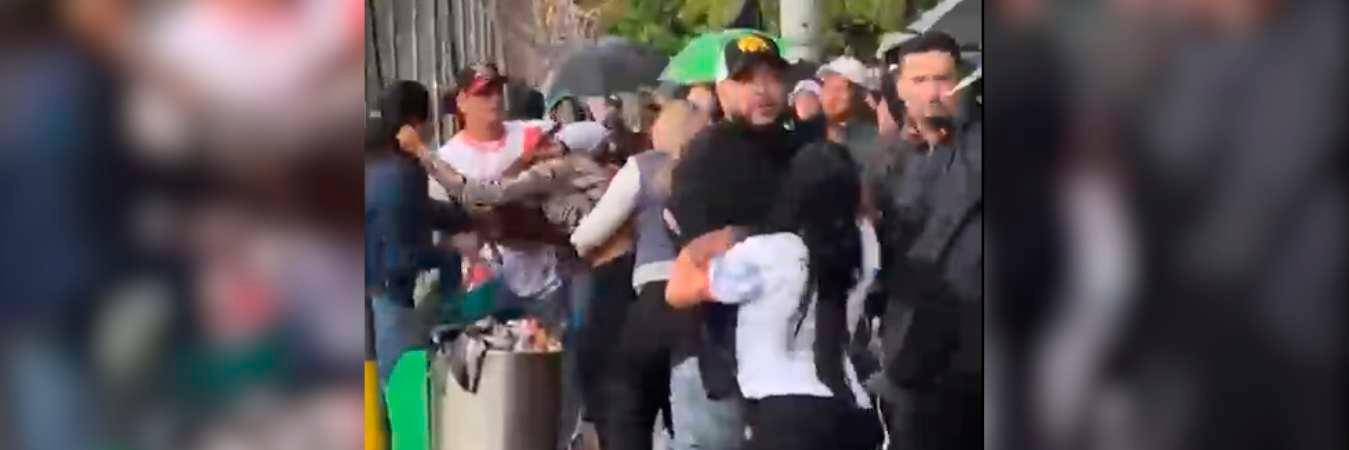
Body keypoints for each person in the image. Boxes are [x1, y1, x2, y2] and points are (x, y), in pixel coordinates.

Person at [664, 31, 826, 450]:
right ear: (721, 90)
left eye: (772, 77)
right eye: (745, 78)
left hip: (796, 359)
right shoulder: (705, 158)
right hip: (717, 355)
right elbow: (701, 259)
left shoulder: (802, 149)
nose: (762, 89)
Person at [665, 142, 883, 450]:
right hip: (848, 407)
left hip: (783, 414)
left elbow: (678, 292)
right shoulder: (865, 242)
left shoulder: (768, 254)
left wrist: (711, 242)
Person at [567, 101, 709, 450]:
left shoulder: (644, 168)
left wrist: (629, 231)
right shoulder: (718, 169)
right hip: (706, 297)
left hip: (655, 297)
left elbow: (584, 238)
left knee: (627, 396)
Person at [869, 31, 982, 450]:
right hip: (908, 355)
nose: (934, 92)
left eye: (943, 78)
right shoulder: (889, 158)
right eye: (921, 81)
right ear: (900, 89)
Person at [365, 80, 472, 383]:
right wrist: (447, 258)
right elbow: (402, 255)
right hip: (389, 293)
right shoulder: (402, 170)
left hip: (367, 288)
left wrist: (465, 219)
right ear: (416, 122)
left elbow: (417, 210)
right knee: (401, 390)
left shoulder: (376, 159)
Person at [817, 56, 881, 164]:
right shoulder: (809, 132)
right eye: (827, 87)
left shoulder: (871, 143)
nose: (830, 97)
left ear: (860, 95)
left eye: (838, 89)